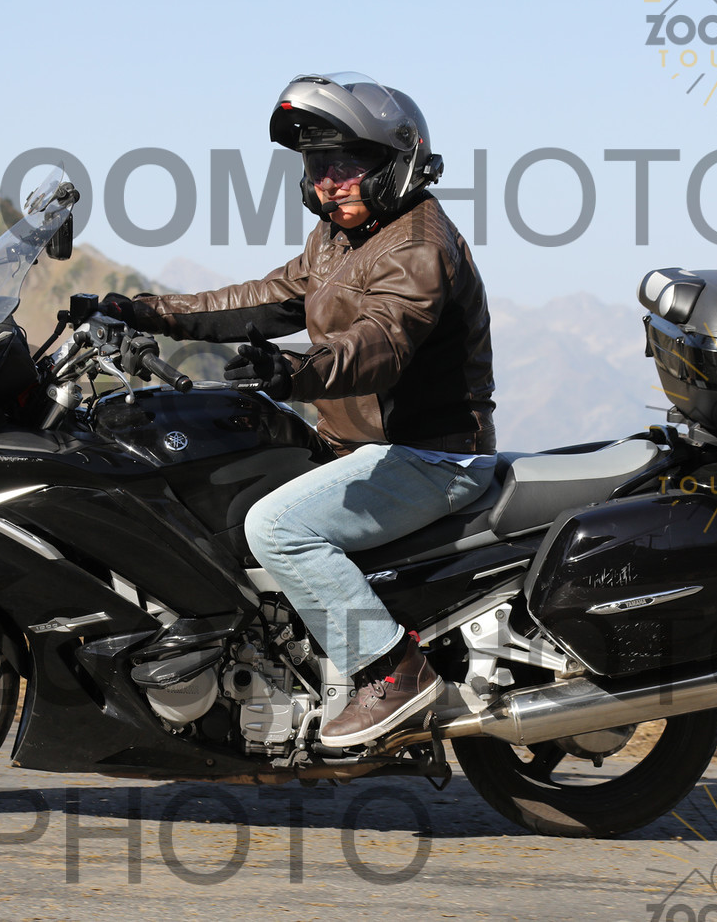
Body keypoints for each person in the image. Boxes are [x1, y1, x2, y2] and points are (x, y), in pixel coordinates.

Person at [104, 72, 496, 747]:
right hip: (357, 450)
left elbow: (379, 343)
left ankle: (392, 672)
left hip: (430, 456)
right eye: (317, 166)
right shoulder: (339, 238)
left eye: (345, 165)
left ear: (396, 163)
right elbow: (263, 299)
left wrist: (294, 371)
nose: (328, 183)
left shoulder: (417, 246)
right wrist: (147, 311)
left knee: (277, 528)